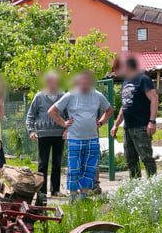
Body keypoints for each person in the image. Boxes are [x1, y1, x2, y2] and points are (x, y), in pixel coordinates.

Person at [48, 71, 113, 202]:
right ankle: (73, 197)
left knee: (89, 169)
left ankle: (83, 197)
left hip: (92, 138)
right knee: (74, 168)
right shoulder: (71, 95)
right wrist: (64, 123)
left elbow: (109, 110)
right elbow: (52, 111)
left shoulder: (97, 95)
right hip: (74, 138)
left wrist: (100, 122)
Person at [111, 55, 158, 178]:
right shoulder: (126, 82)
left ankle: (154, 183)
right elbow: (124, 105)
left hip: (141, 126)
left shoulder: (143, 79)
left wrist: (152, 121)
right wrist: (116, 124)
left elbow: (154, 99)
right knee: (130, 158)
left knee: (146, 157)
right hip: (128, 127)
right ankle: (136, 184)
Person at [26, 71, 67, 197]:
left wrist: (67, 129)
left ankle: (55, 190)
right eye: (51, 81)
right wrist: (31, 131)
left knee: (57, 162)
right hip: (43, 135)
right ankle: (41, 191)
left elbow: (70, 115)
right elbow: (30, 116)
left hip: (59, 134)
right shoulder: (39, 97)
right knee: (42, 163)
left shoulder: (63, 96)